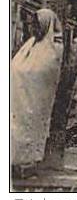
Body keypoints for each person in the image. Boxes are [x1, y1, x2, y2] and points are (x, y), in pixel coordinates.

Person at [11, 9, 64, 171]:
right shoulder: (30, 44)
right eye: (33, 26)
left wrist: (21, 73)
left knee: (30, 130)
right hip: (18, 95)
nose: (34, 29)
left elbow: (43, 71)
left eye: (37, 25)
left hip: (35, 97)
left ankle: (28, 163)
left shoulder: (53, 48)